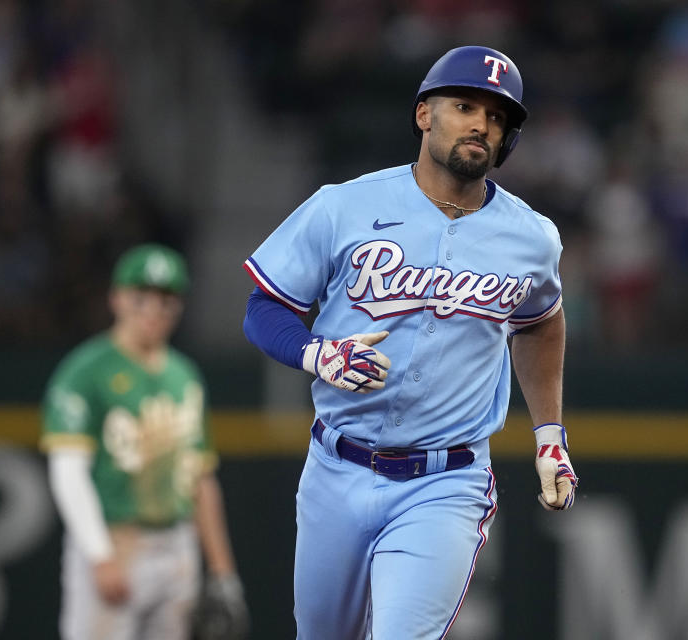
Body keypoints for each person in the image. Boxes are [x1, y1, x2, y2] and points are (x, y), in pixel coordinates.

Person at [241, 45, 578, 639]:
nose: (480, 123)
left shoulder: (531, 238)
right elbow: (266, 307)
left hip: (446, 480)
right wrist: (316, 353)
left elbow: (542, 321)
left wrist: (549, 435)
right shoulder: (345, 205)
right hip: (336, 466)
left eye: (497, 117)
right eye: (464, 105)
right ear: (425, 114)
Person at [41, 243, 248, 640]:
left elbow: (201, 477)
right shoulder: (84, 372)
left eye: (166, 301)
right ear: (116, 298)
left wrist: (223, 572)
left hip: (177, 545)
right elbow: (68, 472)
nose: (153, 310)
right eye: (141, 298)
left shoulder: (184, 375)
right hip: (116, 539)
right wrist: (98, 554)